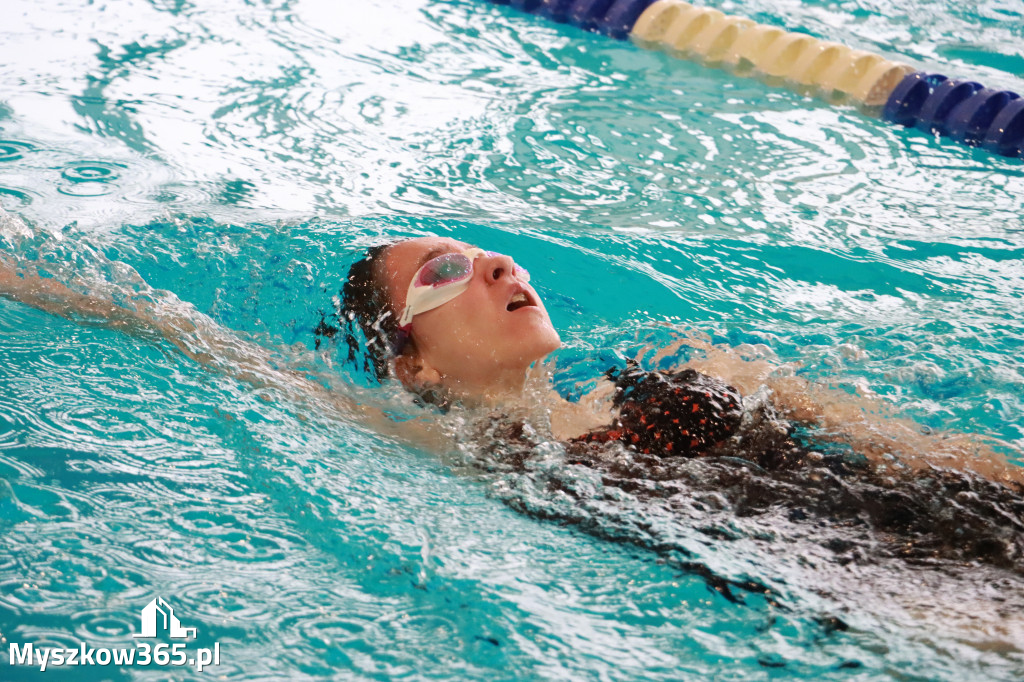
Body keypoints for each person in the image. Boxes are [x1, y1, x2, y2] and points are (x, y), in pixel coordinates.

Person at [2, 213, 1023, 571]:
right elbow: (194, 340)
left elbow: (920, 450)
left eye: (486, 253)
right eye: (441, 275)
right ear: (417, 367)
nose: (492, 267)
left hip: (952, 516)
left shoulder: (691, 362)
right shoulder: (472, 452)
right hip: (866, 582)